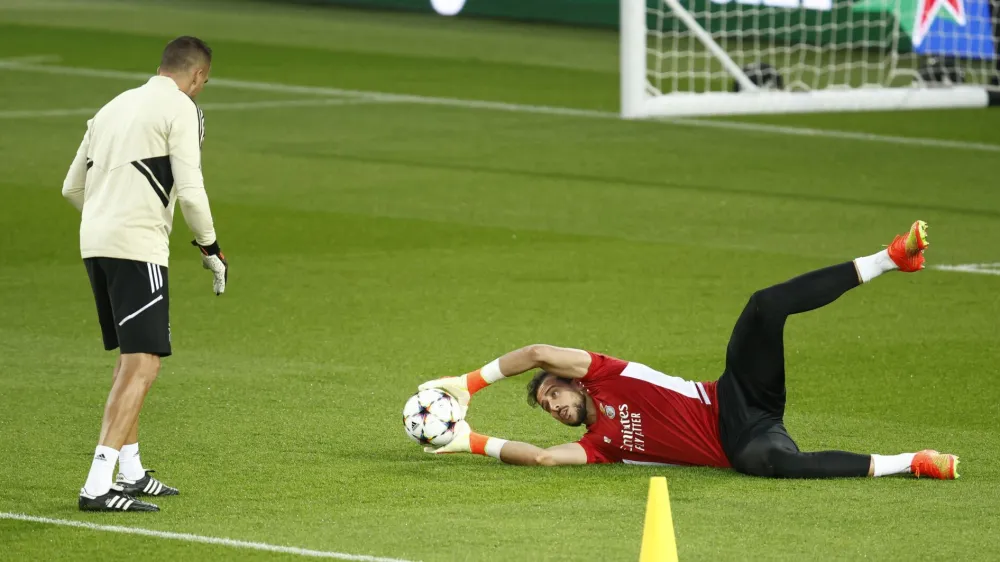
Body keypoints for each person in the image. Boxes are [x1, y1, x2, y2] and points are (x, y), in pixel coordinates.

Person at [418, 221, 959, 480]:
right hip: (742, 444)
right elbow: (539, 456)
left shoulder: (604, 374)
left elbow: (536, 350)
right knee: (772, 463)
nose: (555, 406)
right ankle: (912, 462)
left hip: (734, 394)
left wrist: (467, 385)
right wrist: (471, 442)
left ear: (574, 380)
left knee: (764, 307)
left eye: (553, 393)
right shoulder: (601, 444)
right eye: (548, 410)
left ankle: (890, 258)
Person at [62, 36, 229, 512]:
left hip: (94, 241)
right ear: (196, 76)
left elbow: (72, 187)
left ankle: (130, 472)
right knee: (145, 363)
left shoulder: (112, 106)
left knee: (130, 359)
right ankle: (97, 485)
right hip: (137, 246)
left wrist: (109, 216)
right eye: (204, 82)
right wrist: (210, 248)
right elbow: (191, 190)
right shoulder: (180, 109)